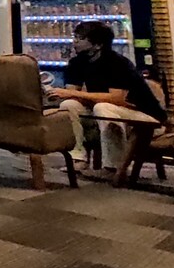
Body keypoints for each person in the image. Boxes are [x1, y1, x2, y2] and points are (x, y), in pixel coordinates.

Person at [48, 21, 166, 173]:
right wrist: (56, 94)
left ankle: (114, 166)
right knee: (69, 105)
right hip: (108, 111)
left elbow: (117, 98)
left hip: (144, 115)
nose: (75, 42)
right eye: (75, 37)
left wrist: (72, 93)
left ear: (98, 45)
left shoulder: (117, 63)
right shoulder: (77, 62)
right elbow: (72, 94)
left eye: (80, 38)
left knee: (103, 107)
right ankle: (78, 158)